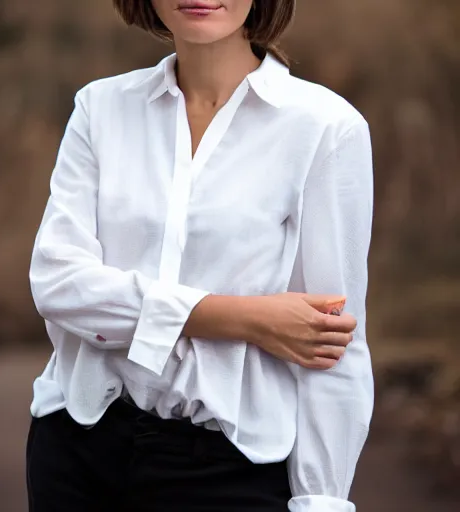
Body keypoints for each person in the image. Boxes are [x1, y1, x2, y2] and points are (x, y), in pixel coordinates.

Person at [26, 1, 374, 511]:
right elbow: (58, 285)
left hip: (230, 466)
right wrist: (245, 318)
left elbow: (332, 343)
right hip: (80, 446)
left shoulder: (325, 127)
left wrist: (322, 500)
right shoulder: (100, 109)